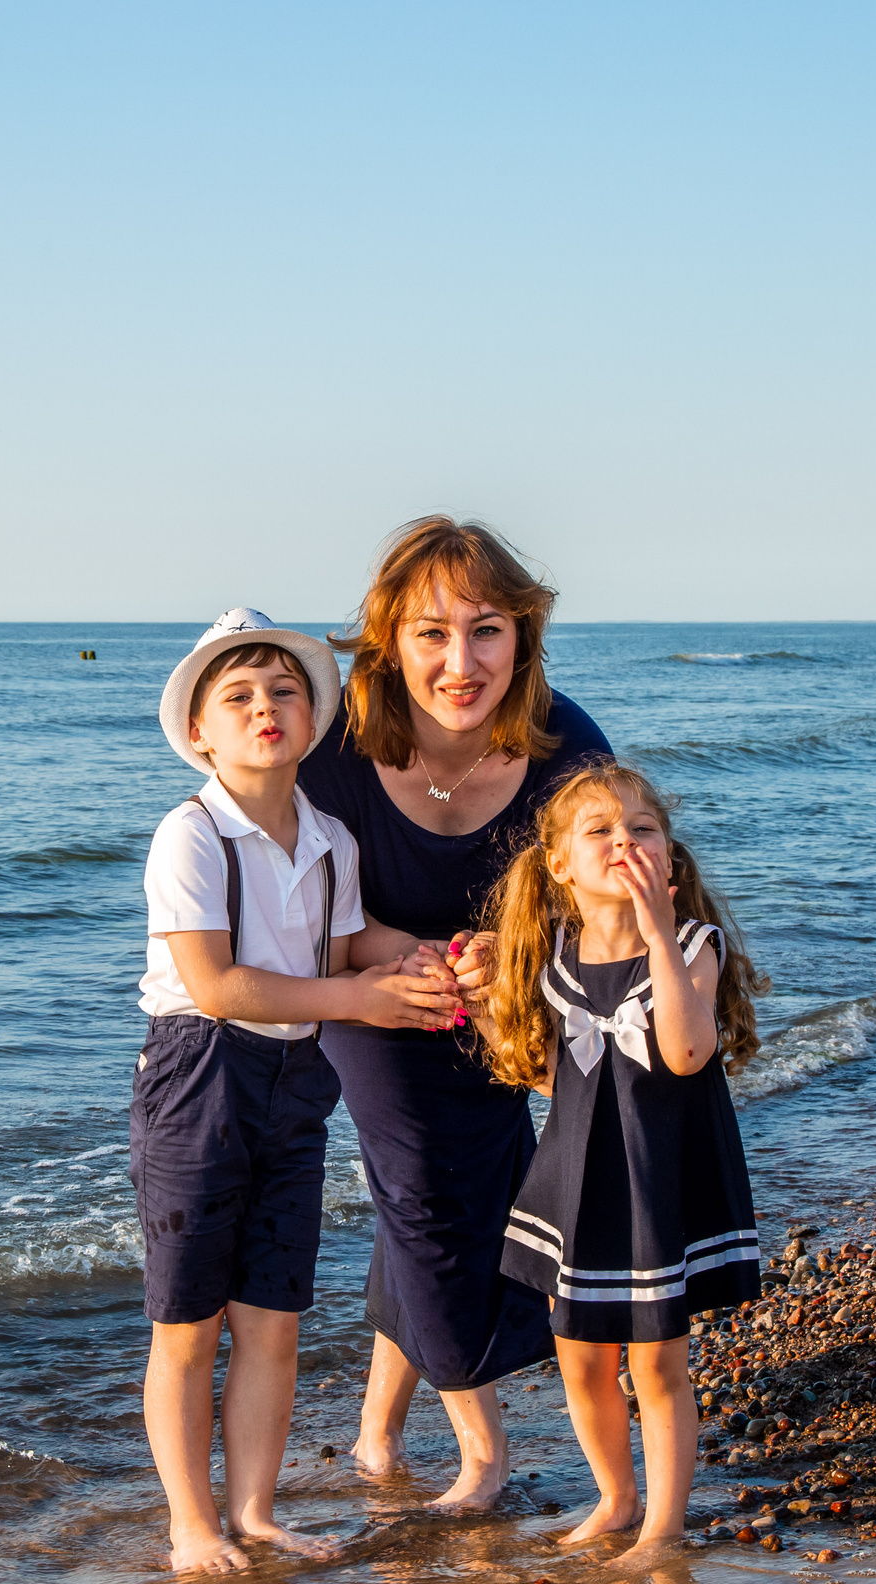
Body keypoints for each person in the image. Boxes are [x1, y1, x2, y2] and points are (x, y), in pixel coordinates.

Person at [131, 608, 460, 1574]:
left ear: (313, 722)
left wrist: (422, 958)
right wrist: (357, 996)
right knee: (187, 1323)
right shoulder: (190, 836)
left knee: (273, 1318)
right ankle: (193, 1526)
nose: (264, 709)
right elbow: (218, 984)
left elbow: (345, 940)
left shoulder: (329, 837)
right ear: (202, 731)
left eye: (284, 693)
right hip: (199, 1074)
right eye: (237, 698)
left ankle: (258, 1512)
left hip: (296, 1081)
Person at [297, 517, 613, 1510]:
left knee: (422, 1204)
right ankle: (485, 1450)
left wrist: (515, 959)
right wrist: (402, 958)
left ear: (523, 635)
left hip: (503, 1012)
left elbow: (602, 897)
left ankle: (376, 1436)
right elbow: (282, 906)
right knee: (430, 1195)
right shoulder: (333, 752)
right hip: (366, 1002)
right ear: (390, 639)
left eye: (485, 630)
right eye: (430, 633)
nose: (458, 661)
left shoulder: (567, 747)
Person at [471, 760, 767, 1557]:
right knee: (580, 1359)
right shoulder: (553, 956)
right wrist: (480, 1005)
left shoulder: (693, 944)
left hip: (658, 1183)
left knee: (659, 1363)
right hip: (577, 1184)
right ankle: (615, 1497)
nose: (624, 842)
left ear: (668, 857)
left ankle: (665, 1526)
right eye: (599, 830)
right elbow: (541, 1075)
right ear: (560, 864)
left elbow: (685, 1049)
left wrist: (658, 932)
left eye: (642, 828)